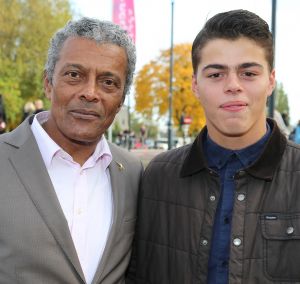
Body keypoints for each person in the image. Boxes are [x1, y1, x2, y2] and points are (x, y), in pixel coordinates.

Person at [126, 9, 300, 284]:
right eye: (216, 74)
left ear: (270, 81)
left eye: (248, 73)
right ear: (195, 84)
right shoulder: (157, 177)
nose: (233, 85)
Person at [0, 17, 142, 284]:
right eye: (74, 75)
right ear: (48, 83)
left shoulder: (134, 174)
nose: (90, 93)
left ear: (122, 99)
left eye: (108, 82)